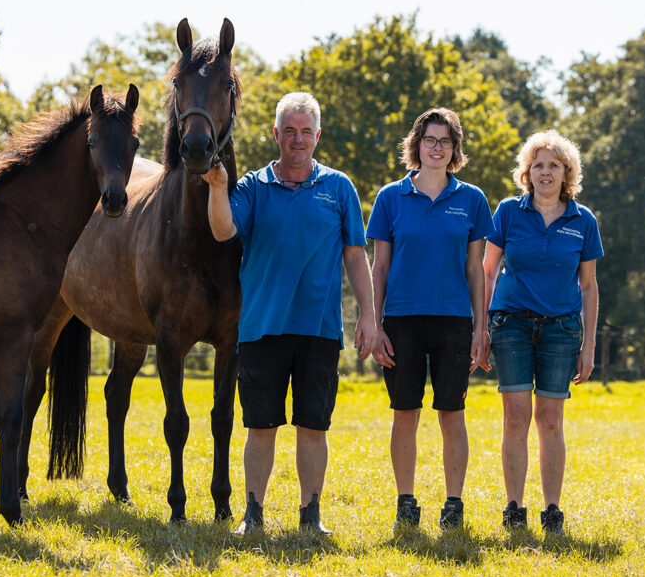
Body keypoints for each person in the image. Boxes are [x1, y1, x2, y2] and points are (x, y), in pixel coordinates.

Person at [202, 91, 376, 536]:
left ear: (317, 135)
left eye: (306, 131)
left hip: (319, 328)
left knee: (313, 426)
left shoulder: (339, 187)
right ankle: (253, 516)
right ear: (276, 133)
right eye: (290, 131)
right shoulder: (252, 187)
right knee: (260, 426)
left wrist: (369, 316)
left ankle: (310, 517)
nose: (298, 139)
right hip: (262, 327)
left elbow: (356, 256)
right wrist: (218, 187)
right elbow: (223, 231)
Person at [367, 107, 494, 531]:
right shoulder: (390, 197)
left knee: (452, 413)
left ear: (455, 148)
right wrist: (375, 324)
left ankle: (453, 504)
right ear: (417, 145)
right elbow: (379, 267)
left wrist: (480, 328)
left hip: (454, 321)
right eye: (430, 140)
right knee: (405, 412)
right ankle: (406, 501)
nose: (437, 148)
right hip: (401, 321)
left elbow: (476, 269)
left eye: (445, 141)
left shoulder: (473, 200)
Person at [483, 129, 603, 535]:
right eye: (538, 165)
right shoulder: (507, 212)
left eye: (554, 165)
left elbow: (589, 286)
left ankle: (552, 510)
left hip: (561, 329)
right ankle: (514, 507)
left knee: (550, 419)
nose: (545, 172)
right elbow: (487, 271)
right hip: (511, 324)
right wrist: (480, 329)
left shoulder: (583, 220)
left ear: (567, 172)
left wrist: (588, 345)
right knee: (515, 417)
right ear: (527, 172)